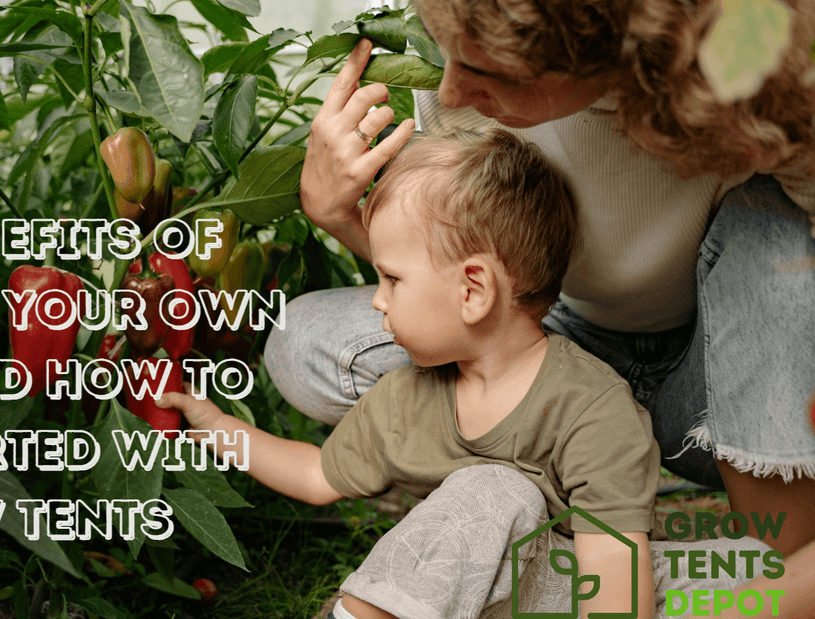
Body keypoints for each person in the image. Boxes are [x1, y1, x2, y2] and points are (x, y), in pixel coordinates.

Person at [266, 0, 815, 557]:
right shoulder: (469, 78)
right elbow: (454, 273)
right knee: (309, 343)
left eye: (490, 72)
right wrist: (335, 211)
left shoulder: (764, 85)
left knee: (777, 232)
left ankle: (777, 553)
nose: (450, 91)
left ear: (605, 49)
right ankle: (527, 512)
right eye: (451, 56)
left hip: (718, 393)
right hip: (553, 357)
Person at [158, 132, 768, 619]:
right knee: (494, 491)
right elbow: (317, 475)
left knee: (743, 572)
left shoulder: (590, 405)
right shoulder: (405, 397)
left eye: (391, 278)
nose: (376, 300)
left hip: (594, 587)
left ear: (474, 291)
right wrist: (213, 425)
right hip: (475, 592)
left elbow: (613, 564)